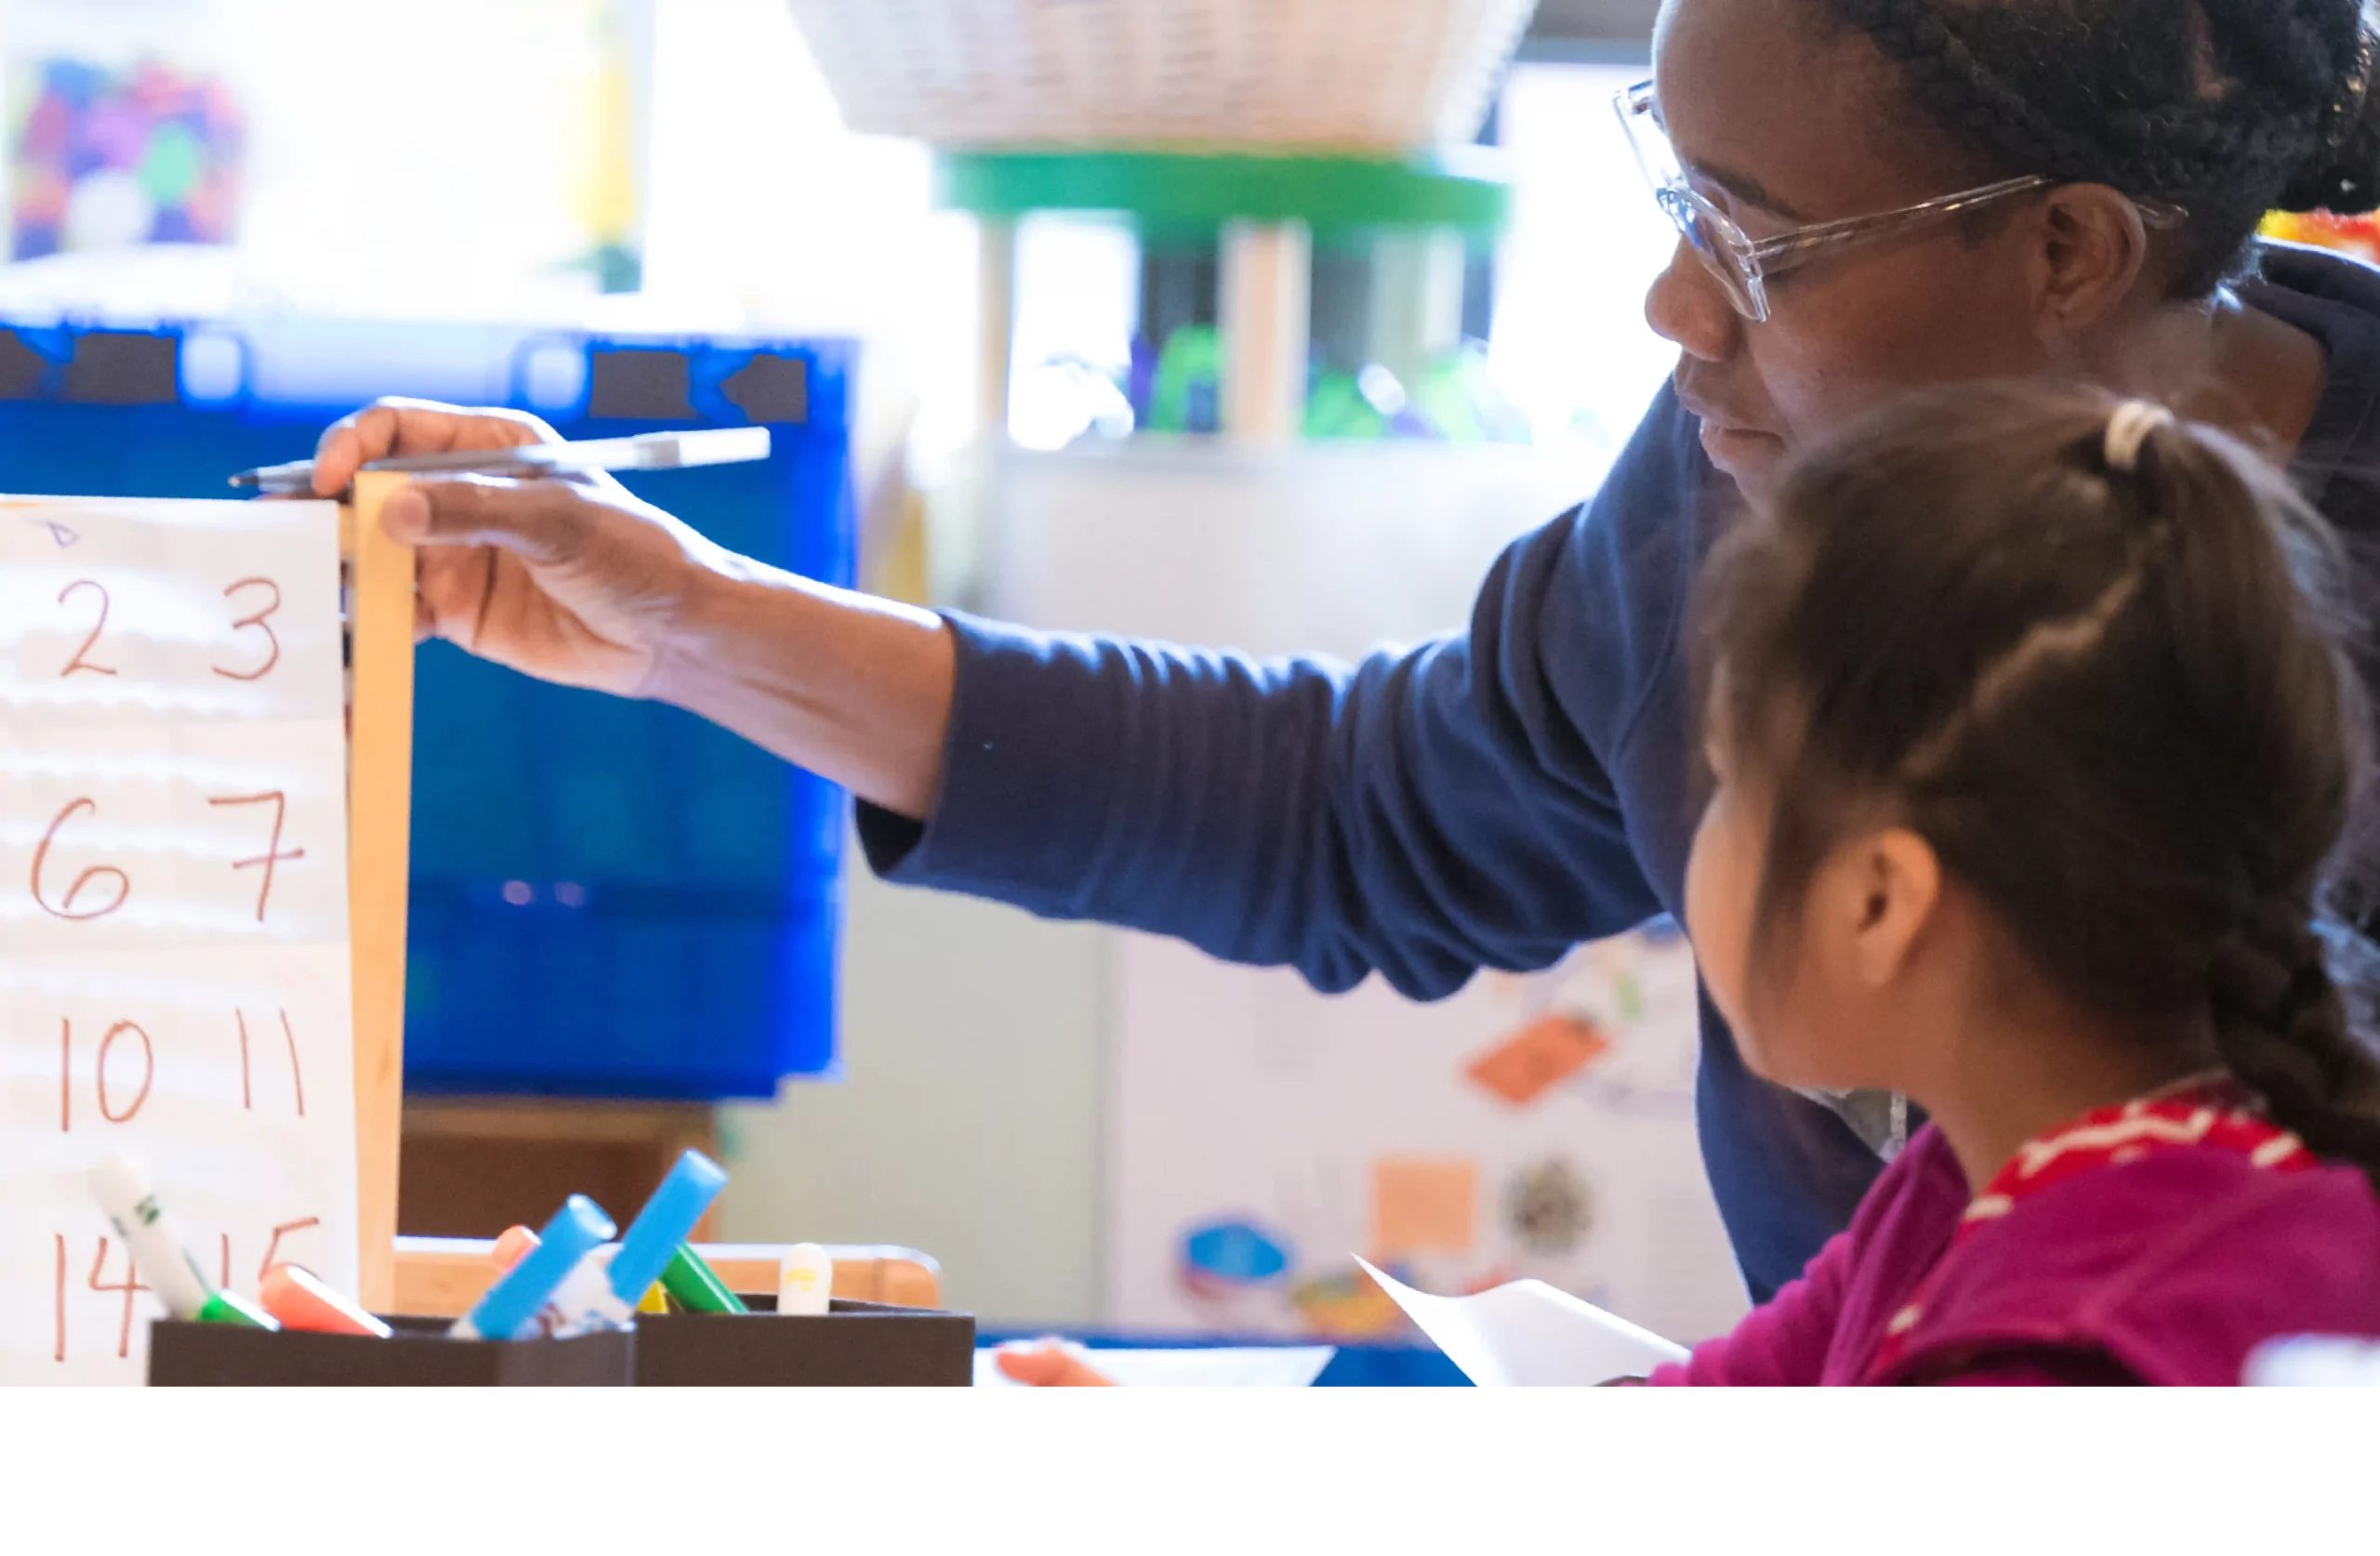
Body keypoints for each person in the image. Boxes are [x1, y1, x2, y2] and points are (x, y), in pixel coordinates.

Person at [309, 0, 2380, 1299]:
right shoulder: (1743, 459)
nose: (1672, 309)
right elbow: (1358, 809)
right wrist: (687, 617)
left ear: (2063, 250)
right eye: (1667, 192)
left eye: (1753, 238)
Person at [1650, 381, 2380, 1388]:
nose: (1700, 833)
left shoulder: (2058, 1350)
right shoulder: (1972, 1182)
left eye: (1729, 785)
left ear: (1878, 902)